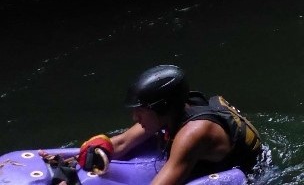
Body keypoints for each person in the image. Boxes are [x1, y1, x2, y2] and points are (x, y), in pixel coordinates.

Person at [67, 65, 264, 185]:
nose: (135, 117)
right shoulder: (174, 109)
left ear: (161, 108)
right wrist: (73, 162)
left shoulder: (193, 134)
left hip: (252, 173)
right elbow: (121, 143)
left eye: (141, 110)